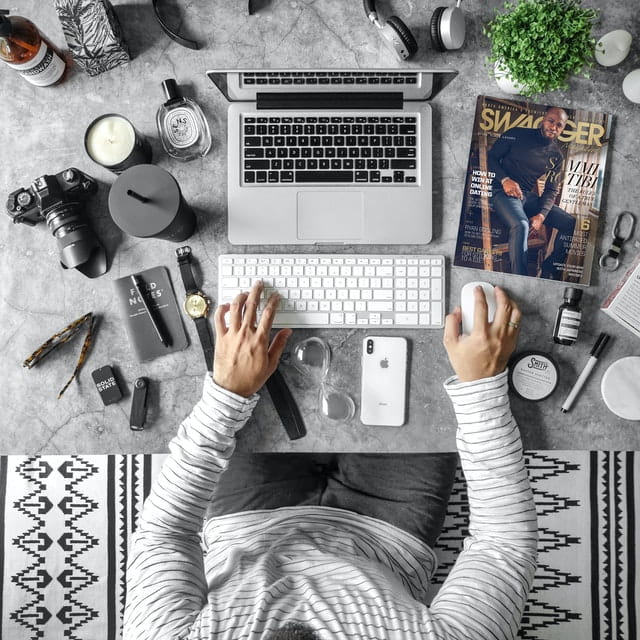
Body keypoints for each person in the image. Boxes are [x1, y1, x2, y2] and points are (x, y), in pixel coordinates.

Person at [123, 280, 537, 640]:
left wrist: (226, 395)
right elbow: (503, 548)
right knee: (420, 367)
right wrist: (482, 386)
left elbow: (165, 535)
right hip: (388, 533)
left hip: (247, 523)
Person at [488, 106, 576, 279]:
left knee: (569, 222)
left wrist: (541, 216)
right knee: (521, 225)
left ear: (563, 128)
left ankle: (550, 268)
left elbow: (551, 189)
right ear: (544, 119)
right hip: (501, 190)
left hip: (527, 196)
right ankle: (519, 279)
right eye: (551, 121)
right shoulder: (517, 133)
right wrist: (505, 179)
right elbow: (491, 158)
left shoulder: (556, 156)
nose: (554, 127)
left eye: (559, 125)